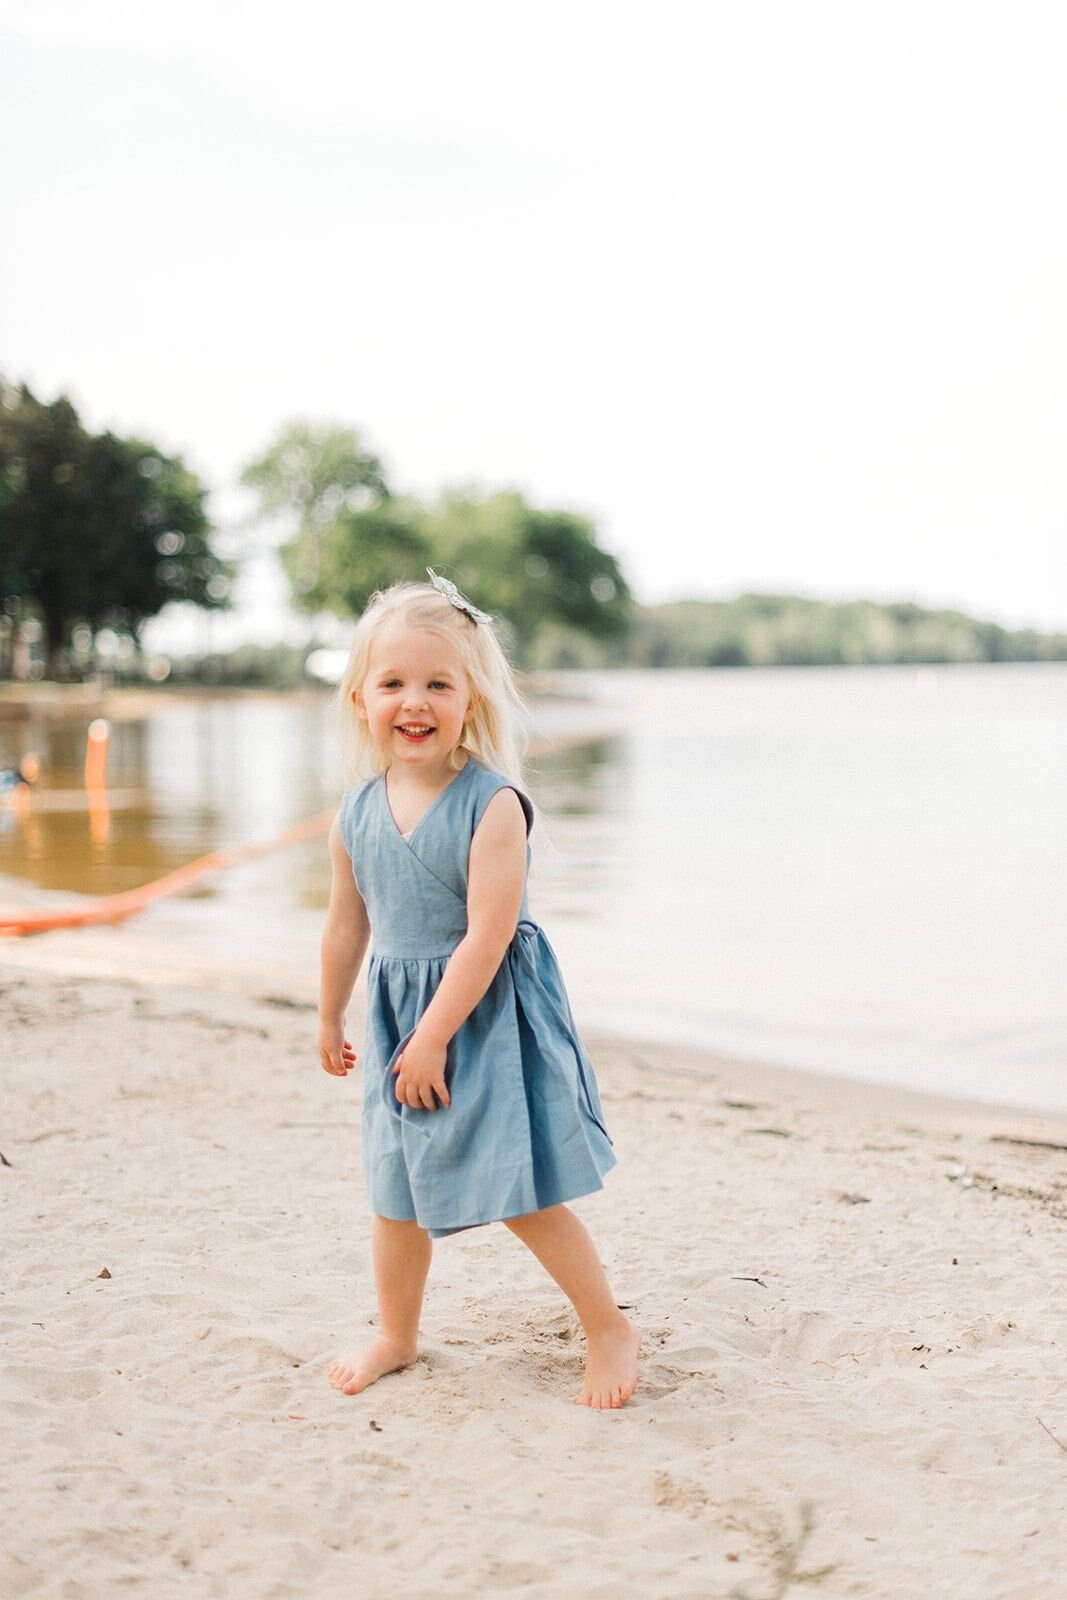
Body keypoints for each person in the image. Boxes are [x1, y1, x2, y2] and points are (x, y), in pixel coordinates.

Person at [319, 571, 640, 1409]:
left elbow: (488, 936)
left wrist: (433, 1036)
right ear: (360, 698)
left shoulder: (492, 805)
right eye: (392, 683)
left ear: (471, 699)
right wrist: (327, 1013)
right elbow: (347, 925)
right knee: (393, 1191)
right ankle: (397, 1332)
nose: (413, 701)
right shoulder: (354, 811)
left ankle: (606, 1325)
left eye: (437, 683)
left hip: (481, 1013)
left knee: (517, 1190)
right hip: (399, 1020)